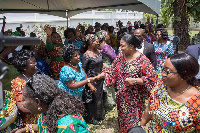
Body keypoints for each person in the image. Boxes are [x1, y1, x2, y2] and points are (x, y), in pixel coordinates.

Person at [95, 34, 158, 132]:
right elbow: (112, 70)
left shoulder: (142, 60)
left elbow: (152, 78)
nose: (120, 48)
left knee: (133, 124)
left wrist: (135, 80)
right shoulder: (121, 56)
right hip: (122, 98)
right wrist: (104, 74)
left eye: (122, 46)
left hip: (135, 100)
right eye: (120, 45)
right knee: (123, 121)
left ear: (131, 46)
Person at [140, 53, 200, 133]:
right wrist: (140, 126)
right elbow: (149, 109)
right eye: (163, 70)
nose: (162, 74)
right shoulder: (161, 87)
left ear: (184, 75)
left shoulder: (197, 103)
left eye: (167, 72)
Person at [11, 74, 91, 133]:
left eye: (24, 100)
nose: (23, 104)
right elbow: (43, 126)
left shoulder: (66, 127)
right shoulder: (47, 111)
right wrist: (24, 130)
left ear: (37, 101)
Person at [11, 49, 38, 127]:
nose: (36, 64)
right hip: (30, 121)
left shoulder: (36, 76)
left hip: (41, 117)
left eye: (35, 61)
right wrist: (39, 108)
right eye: (32, 63)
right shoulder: (18, 83)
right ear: (24, 67)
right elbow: (21, 106)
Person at [82, 34, 105, 125]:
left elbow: (101, 63)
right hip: (91, 80)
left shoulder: (99, 52)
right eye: (96, 41)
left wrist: (103, 71)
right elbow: (83, 70)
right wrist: (89, 84)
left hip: (100, 80)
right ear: (90, 43)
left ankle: (99, 115)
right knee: (91, 100)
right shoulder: (86, 55)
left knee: (99, 99)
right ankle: (92, 118)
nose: (98, 43)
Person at [96, 30, 117, 111]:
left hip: (104, 67)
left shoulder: (100, 46)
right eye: (107, 35)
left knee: (106, 86)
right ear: (104, 37)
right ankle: (110, 103)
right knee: (109, 86)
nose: (109, 36)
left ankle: (108, 103)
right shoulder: (106, 47)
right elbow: (114, 57)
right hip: (108, 67)